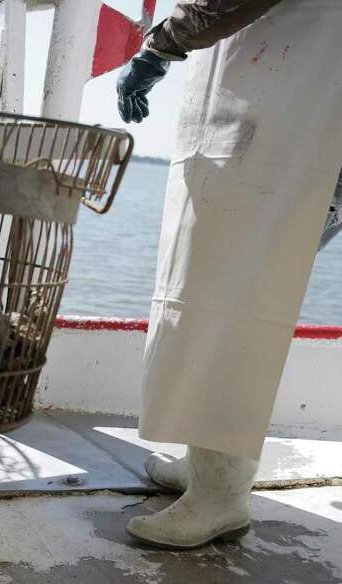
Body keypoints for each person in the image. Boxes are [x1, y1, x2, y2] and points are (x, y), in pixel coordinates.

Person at [115, 0, 342, 548]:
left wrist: (159, 45)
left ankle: (222, 495)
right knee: (219, 290)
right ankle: (208, 466)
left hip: (296, 136)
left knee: (240, 299)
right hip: (285, 127)